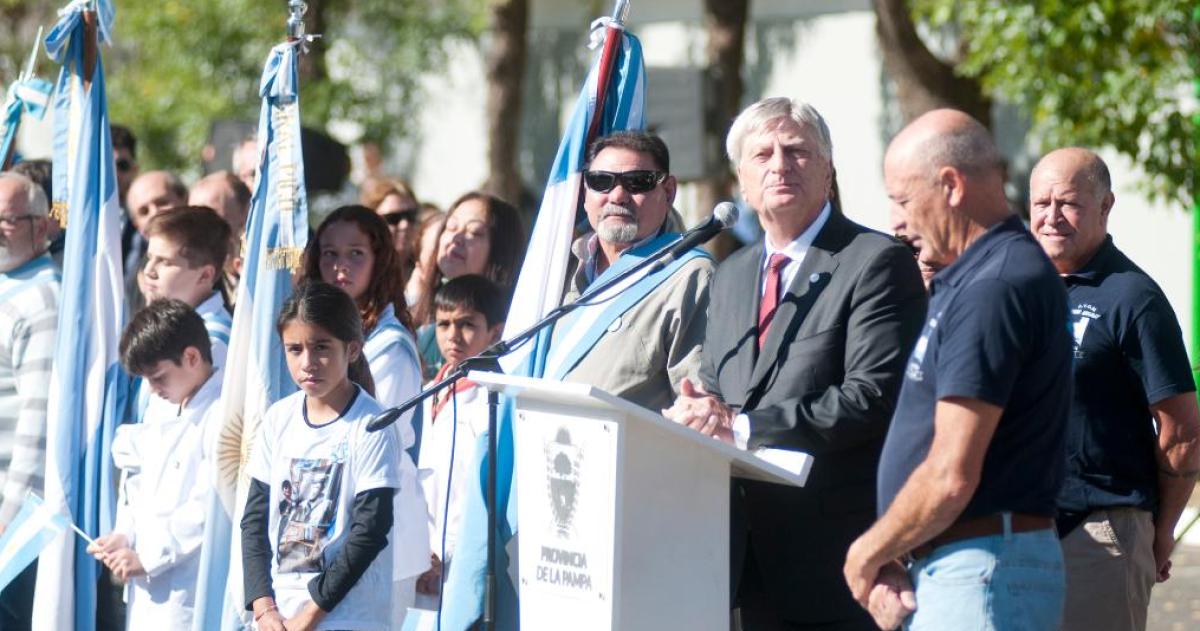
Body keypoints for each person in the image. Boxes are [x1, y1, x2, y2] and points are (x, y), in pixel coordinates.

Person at [661, 97, 926, 630]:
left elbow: (872, 397)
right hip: (747, 556)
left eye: (798, 151)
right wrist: (703, 410)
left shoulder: (875, 261)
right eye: (763, 154)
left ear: (828, 170)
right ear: (742, 178)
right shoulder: (731, 273)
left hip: (841, 555)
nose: (780, 164)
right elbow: (720, 382)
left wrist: (744, 427)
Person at [842, 109, 1072, 631]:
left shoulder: (995, 284)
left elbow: (950, 474)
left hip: (983, 571)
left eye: (902, 200)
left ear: (950, 185)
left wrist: (866, 554)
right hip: (970, 566)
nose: (897, 222)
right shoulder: (983, 276)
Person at [1028, 148, 1200, 631]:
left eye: (1069, 203)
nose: (1051, 216)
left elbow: (1182, 431)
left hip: (1100, 535)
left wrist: (1158, 530)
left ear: (1105, 206)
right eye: (1041, 203)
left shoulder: (1132, 298)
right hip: (1018, 531)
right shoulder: (1020, 288)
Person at [242, 281, 401, 631]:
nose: (308, 362)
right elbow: (254, 519)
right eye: (294, 349)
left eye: (322, 347)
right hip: (276, 616)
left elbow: (369, 531)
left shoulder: (371, 425)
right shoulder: (278, 418)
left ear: (353, 350)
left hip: (345, 618)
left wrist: (312, 613)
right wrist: (264, 607)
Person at [301, 205, 429, 623]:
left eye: (356, 254)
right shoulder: (315, 334)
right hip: (322, 526)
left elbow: (364, 442)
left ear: (379, 262)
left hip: (377, 535)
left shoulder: (387, 346)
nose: (340, 267)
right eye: (330, 254)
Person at [547, 130, 713, 411]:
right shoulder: (556, 271)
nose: (618, 195)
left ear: (669, 191)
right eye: (601, 181)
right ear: (585, 192)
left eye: (638, 183)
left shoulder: (690, 275)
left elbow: (697, 409)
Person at [88, 299, 222, 630]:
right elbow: (138, 482)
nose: (153, 389)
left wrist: (149, 555)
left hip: (187, 589)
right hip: (143, 587)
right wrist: (125, 534)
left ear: (191, 357)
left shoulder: (223, 414)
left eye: (159, 377)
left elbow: (209, 506)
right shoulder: (163, 406)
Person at [414, 275, 506, 608]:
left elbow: (475, 491)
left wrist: (445, 553)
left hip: (458, 559)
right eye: (443, 324)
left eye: (466, 324)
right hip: (417, 556)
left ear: (494, 331)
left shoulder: (492, 402)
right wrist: (416, 549)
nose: (452, 335)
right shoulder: (424, 393)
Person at [0, 172, 58, 629]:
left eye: (7, 221)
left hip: (14, 532)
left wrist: (8, 525)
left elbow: (36, 429)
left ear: (42, 227)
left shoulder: (43, 299)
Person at [412, 193, 524, 378]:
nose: (456, 237)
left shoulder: (513, 328)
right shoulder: (420, 322)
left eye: (474, 232)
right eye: (451, 227)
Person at [141, 206, 233, 369]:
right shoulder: (168, 328)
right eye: (150, 258)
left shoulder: (211, 343)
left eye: (165, 262)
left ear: (205, 275)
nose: (149, 270)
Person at [123, 170, 188, 316]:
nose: (155, 213)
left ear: (184, 198)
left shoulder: (214, 251)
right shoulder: (135, 281)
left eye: (162, 202)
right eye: (144, 211)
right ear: (137, 225)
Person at [189, 170, 252, 306]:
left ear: (247, 212)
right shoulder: (198, 284)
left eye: (210, 216)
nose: (200, 228)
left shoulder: (276, 269)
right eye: (193, 220)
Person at [360, 177, 421, 272]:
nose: (405, 225)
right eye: (393, 218)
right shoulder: (357, 272)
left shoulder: (430, 272)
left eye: (411, 216)